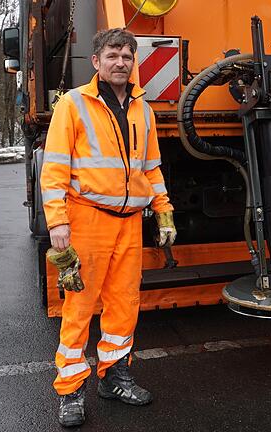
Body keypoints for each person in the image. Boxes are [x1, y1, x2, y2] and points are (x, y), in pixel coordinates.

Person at [40, 28, 177, 427]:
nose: (121, 62)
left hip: (129, 224)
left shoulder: (142, 110)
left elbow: (150, 168)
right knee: (80, 307)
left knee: (123, 304)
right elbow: (54, 169)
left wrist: (164, 209)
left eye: (127, 56)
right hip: (87, 221)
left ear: (134, 63)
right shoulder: (74, 104)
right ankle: (70, 390)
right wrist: (58, 222)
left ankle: (113, 376)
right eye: (113, 55)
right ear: (96, 62)